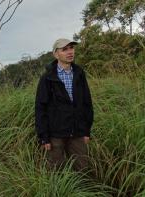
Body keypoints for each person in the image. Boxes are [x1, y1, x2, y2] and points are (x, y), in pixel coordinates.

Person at [35, 38, 94, 171]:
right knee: (56, 170)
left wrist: (86, 131)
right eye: (64, 49)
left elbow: (87, 103)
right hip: (55, 134)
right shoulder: (47, 77)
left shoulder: (79, 73)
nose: (70, 52)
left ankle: (83, 191)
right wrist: (44, 137)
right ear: (56, 54)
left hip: (77, 131)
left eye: (71, 48)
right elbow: (40, 108)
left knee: (83, 168)